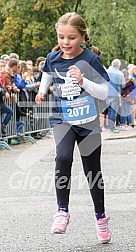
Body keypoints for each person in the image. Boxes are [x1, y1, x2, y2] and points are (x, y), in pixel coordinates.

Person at [35, 12, 111, 244]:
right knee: (63, 157)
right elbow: (47, 72)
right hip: (63, 119)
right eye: (61, 37)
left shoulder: (90, 59)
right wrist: (41, 90)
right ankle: (62, 211)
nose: (65, 43)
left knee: (92, 171)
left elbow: (105, 92)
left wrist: (83, 81)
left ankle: (100, 218)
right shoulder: (53, 57)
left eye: (71, 38)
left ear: (82, 36)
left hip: (87, 121)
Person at [106, 59, 125, 133]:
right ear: (118, 65)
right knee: (113, 111)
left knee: (104, 111)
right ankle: (111, 128)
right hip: (115, 94)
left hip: (106, 93)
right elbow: (123, 85)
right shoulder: (120, 74)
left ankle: (103, 126)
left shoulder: (107, 71)